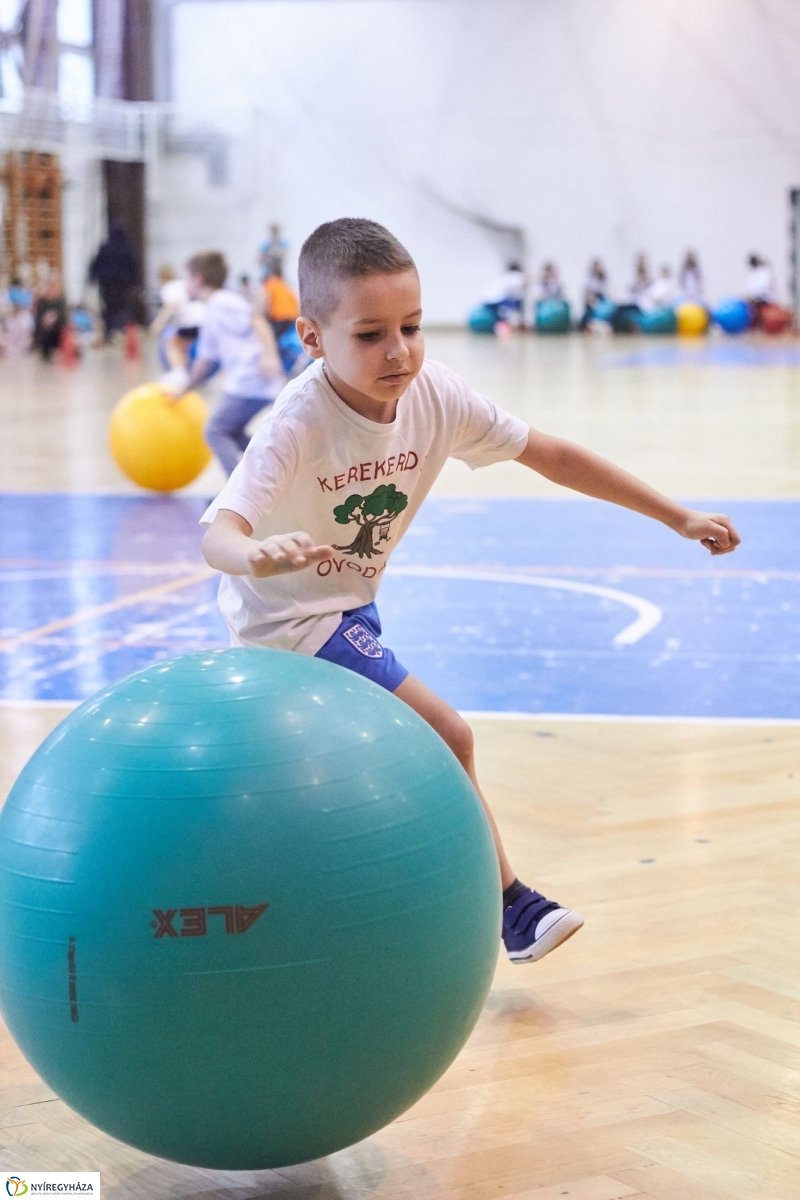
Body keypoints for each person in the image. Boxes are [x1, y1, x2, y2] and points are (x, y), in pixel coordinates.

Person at [199, 218, 741, 965]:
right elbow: (215, 535)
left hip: (348, 605)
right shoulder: (298, 423)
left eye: (412, 327)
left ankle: (349, 904)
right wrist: (254, 553)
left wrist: (676, 515)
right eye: (371, 334)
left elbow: (551, 455)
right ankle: (512, 909)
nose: (399, 352)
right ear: (313, 337)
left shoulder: (435, 396)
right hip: (288, 621)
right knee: (448, 734)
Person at [168, 251, 284, 476]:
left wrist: (270, 355)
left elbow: (257, 319)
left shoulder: (223, 301)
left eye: (187, 278)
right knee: (233, 433)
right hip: (251, 380)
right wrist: (184, 390)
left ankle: (240, 492)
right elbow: (204, 361)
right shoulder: (212, 309)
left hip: (251, 378)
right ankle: (279, 470)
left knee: (214, 431)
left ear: (198, 279)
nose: (185, 286)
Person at [88, 223, 139, 341]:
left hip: (106, 286)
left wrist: (92, 279)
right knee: (123, 309)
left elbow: (95, 265)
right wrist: (135, 283)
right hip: (122, 286)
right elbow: (133, 267)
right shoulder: (127, 248)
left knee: (108, 310)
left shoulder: (104, 248)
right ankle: (122, 334)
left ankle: (109, 334)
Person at [150, 265, 206, 371]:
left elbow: (171, 306)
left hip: (193, 321)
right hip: (204, 320)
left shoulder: (168, 288)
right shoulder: (182, 284)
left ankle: (179, 372)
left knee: (173, 345)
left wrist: (158, 323)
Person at [32, 270, 68, 361]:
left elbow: (66, 318)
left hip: (58, 331)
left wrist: (56, 316)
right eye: (51, 284)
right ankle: (45, 350)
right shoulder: (42, 301)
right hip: (45, 332)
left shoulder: (62, 300)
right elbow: (38, 320)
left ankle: (59, 350)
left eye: (55, 284)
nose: (53, 287)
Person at [481, 261, 527, 327]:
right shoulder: (515, 275)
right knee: (517, 303)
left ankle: (503, 322)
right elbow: (524, 281)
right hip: (498, 299)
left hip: (486, 299)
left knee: (509, 304)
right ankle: (515, 324)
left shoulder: (504, 276)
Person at [744, 254, 775, 328]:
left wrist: (754, 297)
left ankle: (760, 326)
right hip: (754, 299)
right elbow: (750, 289)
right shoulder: (752, 273)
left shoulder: (764, 272)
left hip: (764, 299)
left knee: (757, 309)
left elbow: (764, 288)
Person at [578, 258, 609, 330]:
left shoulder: (603, 278)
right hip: (591, 300)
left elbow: (605, 292)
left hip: (601, 300)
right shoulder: (588, 279)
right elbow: (585, 293)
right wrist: (591, 300)